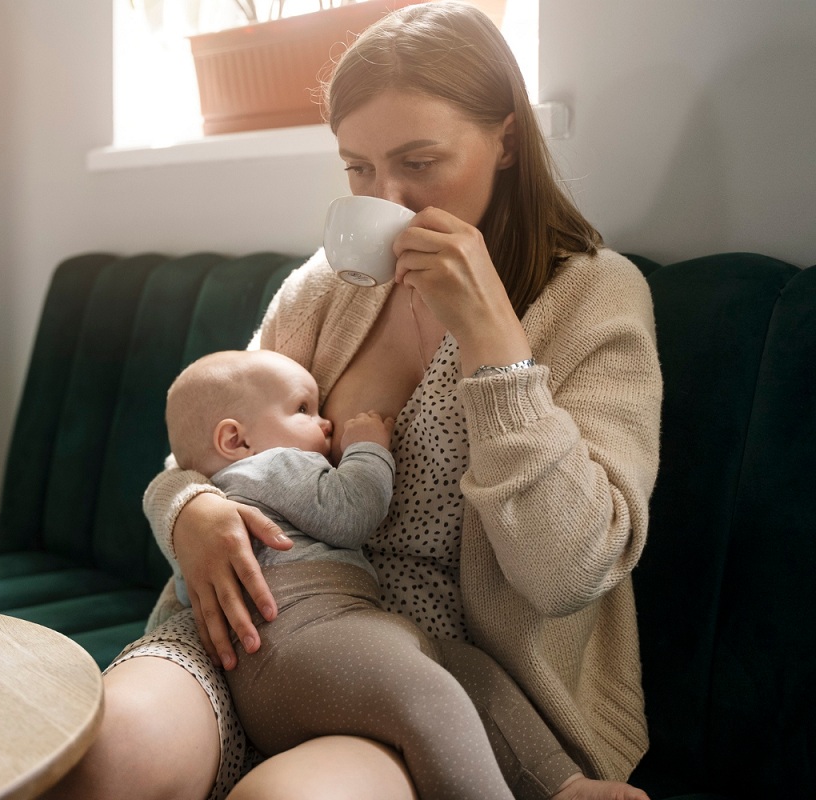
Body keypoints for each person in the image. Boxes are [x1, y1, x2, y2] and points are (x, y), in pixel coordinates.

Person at [46, 2, 662, 800]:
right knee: (99, 761)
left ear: (507, 138)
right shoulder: (326, 287)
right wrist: (185, 511)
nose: (391, 199)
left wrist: (494, 350)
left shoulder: (594, 298)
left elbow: (570, 571)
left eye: (420, 161)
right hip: (243, 633)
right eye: (359, 169)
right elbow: (211, 445)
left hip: (428, 687)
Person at [165, 347, 517, 800]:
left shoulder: (208, 514)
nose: (325, 421)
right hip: (306, 637)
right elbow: (353, 513)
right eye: (303, 409)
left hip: (260, 677)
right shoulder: (276, 465)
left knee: (468, 669)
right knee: (436, 696)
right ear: (236, 441)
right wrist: (367, 448)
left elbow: (184, 595)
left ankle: (563, 783)